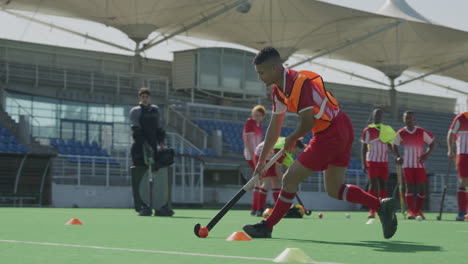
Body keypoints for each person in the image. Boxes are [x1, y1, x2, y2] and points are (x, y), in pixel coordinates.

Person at [243, 47, 397, 239]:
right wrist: (261, 161)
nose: (260, 78)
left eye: (261, 73)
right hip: (338, 126)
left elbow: (307, 122)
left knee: (289, 178)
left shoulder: (299, 84)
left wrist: (292, 138)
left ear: (274, 68)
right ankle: (381, 206)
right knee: (334, 189)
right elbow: (274, 129)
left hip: (330, 132)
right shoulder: (277, 91)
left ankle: (267, 226)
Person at [129, 88, 173, 217]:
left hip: (154, 146)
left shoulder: (156, 110)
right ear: (139, 98)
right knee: (141, 175)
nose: (145, 98)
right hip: (139, 147)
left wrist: (161, 142)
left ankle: (161, 206)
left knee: (158, 174)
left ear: (150, 98)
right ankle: (143, 206)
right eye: (142, 96)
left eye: (147, 96)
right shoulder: (135, 111)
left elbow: (159, 127)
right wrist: (144, 145)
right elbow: (136, 130)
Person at [393, 111, 435, 220]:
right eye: (406, 118)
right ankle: (411, 211)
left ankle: (417, 210)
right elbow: (394, 144)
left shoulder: (421, 131)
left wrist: (426, 154)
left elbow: (431, 143)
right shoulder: (401, 132)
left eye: (410, 118)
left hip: (419, 164)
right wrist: (398, 156)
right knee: (409, 187)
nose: (408, 120)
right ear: (403, 119)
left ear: (414, 119)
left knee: (422, 189)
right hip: (407, 164)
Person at [252, 137, 305, 215]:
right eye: (297, 151)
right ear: (293, 147)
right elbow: (278, 171)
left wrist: (291, 181)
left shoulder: (289, 150)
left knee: (276, 182)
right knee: (266, 183)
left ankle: (280, 209)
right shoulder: (281, 151)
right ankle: (259, 209)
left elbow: (286, 169)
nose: (297, 154)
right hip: (261, 155)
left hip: (271, 155)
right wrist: (286, 182)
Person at [361, 109, 396, 218]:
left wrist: (396, 155)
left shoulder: (387, 130)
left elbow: (391, 145)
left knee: (383, 185)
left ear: (382, 117)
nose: (378, 117)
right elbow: (363, 148)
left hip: (383, 161)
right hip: (372, 160)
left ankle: (382, 208)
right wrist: (363, 163)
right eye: (376, 115)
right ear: (373, 116)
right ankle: (371, 210)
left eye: (380, 115)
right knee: (373, 185)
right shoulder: (368, 130)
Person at [243, 105, 266, 215]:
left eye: (259, 115)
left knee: (258, 180)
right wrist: (253, 156)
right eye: (255, 114)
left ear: (262, 117)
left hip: (257, 154)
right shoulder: (250, 122)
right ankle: (257, 208)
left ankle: (256, 208)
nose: (256, 117)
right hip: (252, 154)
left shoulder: (259, 125)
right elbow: (247, 141)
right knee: (259, 180)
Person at [447, 112, 468, 221]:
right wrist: (450, 150)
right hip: (463, 154)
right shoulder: (460, 118)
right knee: (463, 182)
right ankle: (461, 211)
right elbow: (450, 133)